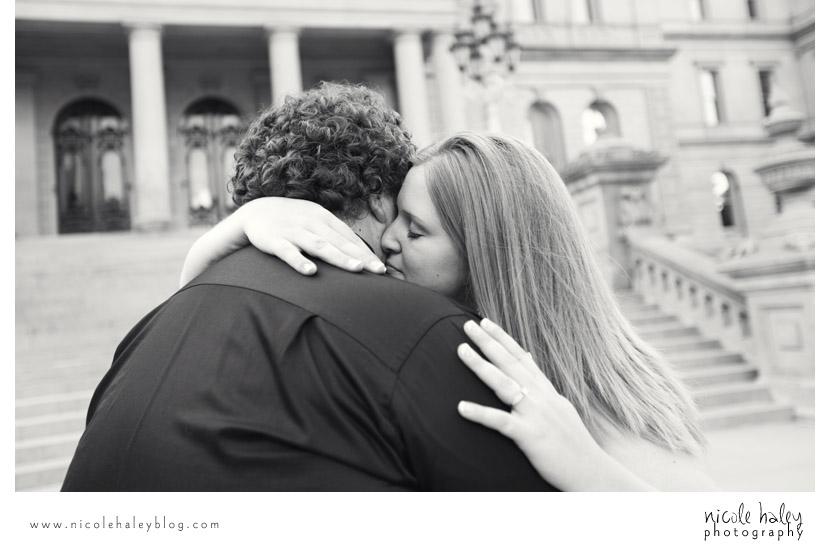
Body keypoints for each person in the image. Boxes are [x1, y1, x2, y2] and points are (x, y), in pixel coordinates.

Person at [61, 83, 556, 491]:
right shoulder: (419, 326)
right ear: (382, 200)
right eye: (404, 214)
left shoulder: (151, 326)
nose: (399, 237)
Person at [182, 130, 719, 491]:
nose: (385, 241)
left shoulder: (618, 399)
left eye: (415, 230)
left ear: (490, 255)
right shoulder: (430, 349)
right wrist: (236, 229)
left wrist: (587, 469)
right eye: (393, 216)